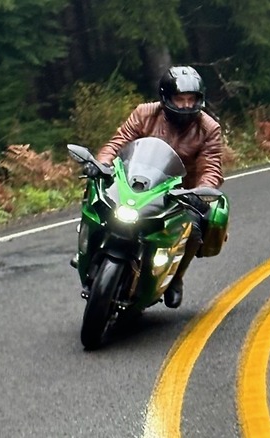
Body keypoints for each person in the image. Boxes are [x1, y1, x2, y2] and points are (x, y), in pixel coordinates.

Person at [94, 65, 224, 308]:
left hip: (179, 194)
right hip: (135, 182)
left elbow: (211, 166)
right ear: (166, 98)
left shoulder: (208, 128)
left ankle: (176, 278)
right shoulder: (145, 113)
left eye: (191, 99)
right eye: (180, 99)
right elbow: (119, 141)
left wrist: (200, 191)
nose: (186, 105)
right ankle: (88, 249)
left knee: (195, 227)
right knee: (97, 197)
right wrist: (102, 164)